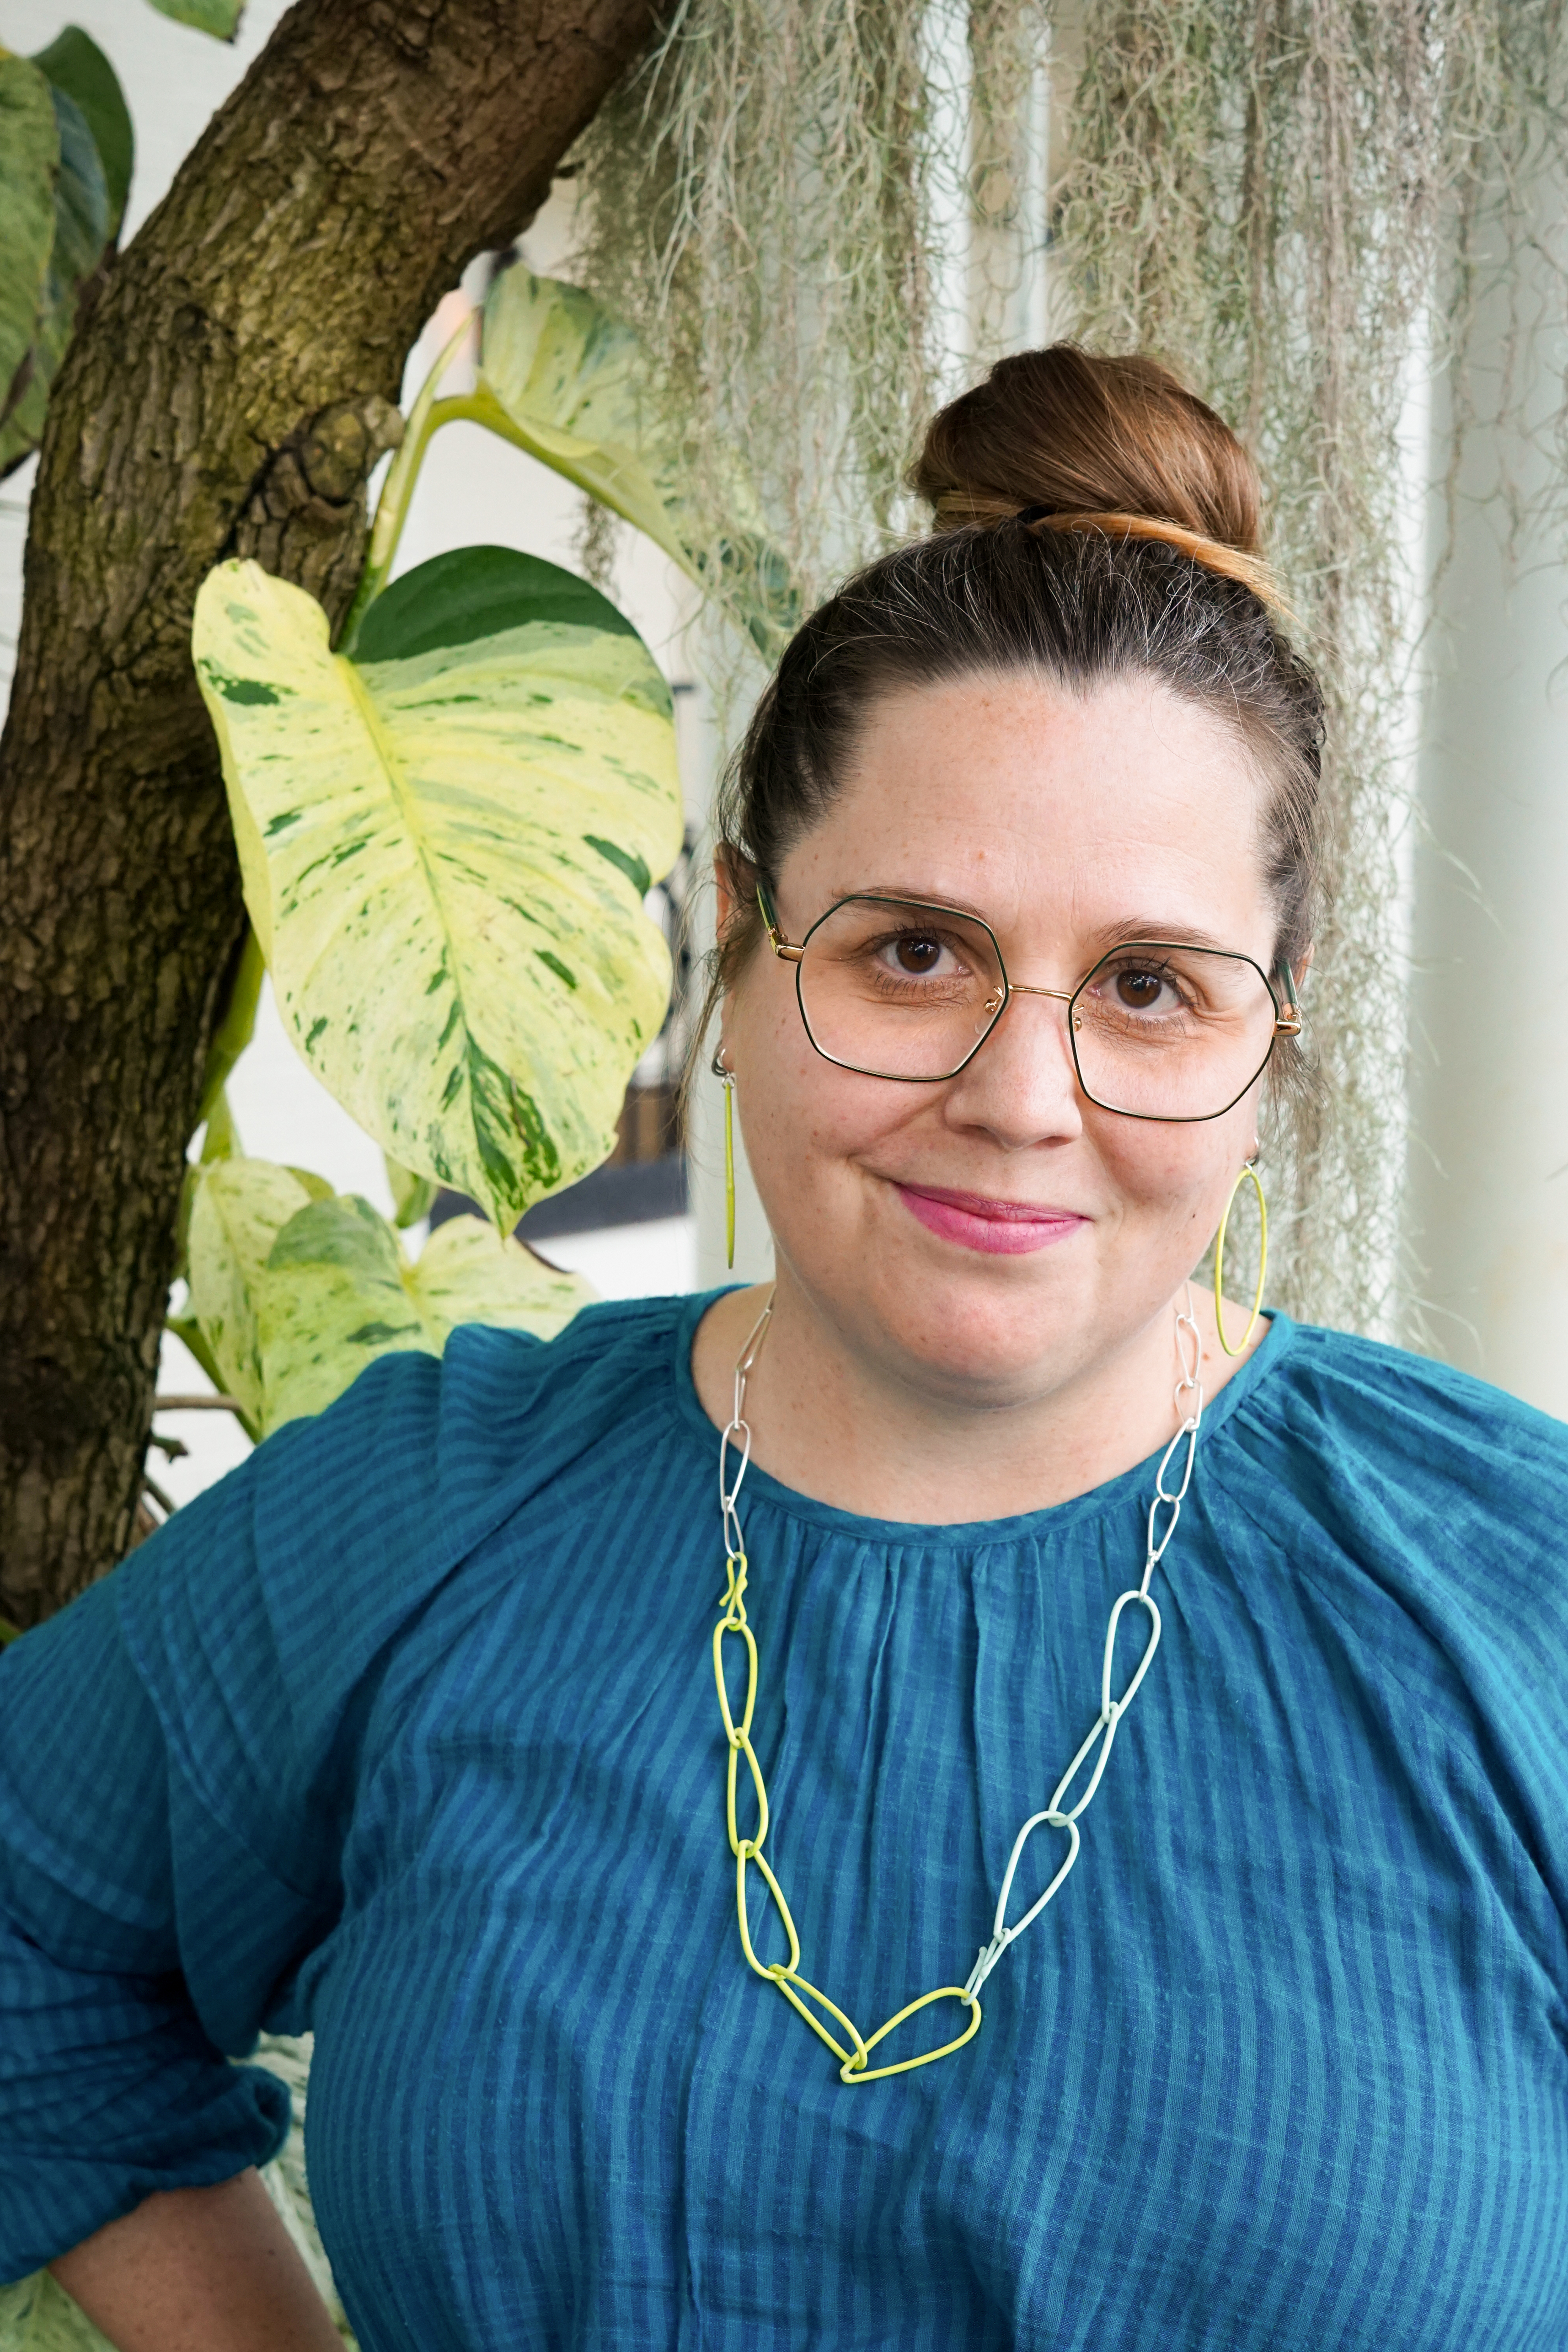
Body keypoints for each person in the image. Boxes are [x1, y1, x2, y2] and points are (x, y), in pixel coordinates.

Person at [4, 346, 1567, 2352]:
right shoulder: (430, 1511)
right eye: (914, 949)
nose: (1023, 1092)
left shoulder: (1505, 1592)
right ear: (739, 949)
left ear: (1275, 1043)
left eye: (1153, 986)